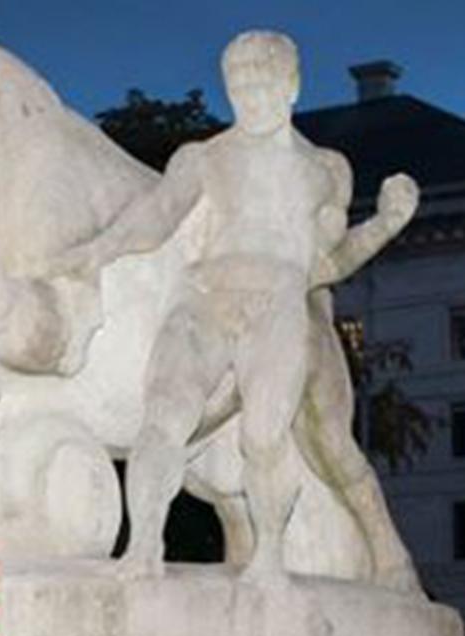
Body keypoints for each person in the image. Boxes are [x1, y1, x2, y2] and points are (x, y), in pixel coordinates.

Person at [53, 31, 419, 585]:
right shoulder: (203, 158)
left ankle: (269, 557)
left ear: (291, 85)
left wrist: (384, 226)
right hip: (206, 297)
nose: (250, 96)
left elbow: (326, 264)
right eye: (239, 85)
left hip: (277, 303)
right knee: (163, 417)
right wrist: (96, 251)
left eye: (262, 82)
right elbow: (156, 217)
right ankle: (143, 547)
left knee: (265, 437)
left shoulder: (324, 170)